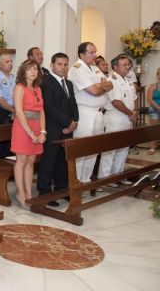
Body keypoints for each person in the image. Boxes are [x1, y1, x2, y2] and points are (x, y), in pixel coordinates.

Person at [67, 42, 112, 183]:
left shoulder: (94, 68)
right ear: (82, 54)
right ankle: (76, 182)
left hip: (98, 113)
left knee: (93, 149)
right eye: (91, 52)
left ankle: (86, 181)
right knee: (82, 149)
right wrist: (101, 86)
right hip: (84, 112)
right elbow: (93, 91)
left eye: (95, 52)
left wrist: (100, 86)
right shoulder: (77, 68)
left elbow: (110, 84)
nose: (95, 55)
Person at [38, 53, 78, 207]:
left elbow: (73, 104)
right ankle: (45, 192)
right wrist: (67, 122)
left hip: (68, 128)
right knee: (49, 160)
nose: (63, 67)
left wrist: (74, 121)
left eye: (65, 64)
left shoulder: (68, 83)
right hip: (53, 127)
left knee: (63, 160)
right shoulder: (46, 83)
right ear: (52, 65)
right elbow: (50, 108)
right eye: (60, 64)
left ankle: (62, 189)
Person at [10, 59, 45, 209]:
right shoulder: (19, 87)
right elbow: (18, 111)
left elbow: (42, 110)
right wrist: (30, 133)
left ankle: (30, 193)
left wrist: (43, 131)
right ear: (23, 71)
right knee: (22, 161)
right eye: (30, 69)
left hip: (37, 126)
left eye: (35, 69)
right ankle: (21, 194)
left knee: (31, 161)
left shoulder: (37, 88)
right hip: (23, 127)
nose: (33, 72)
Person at [99, 55, 137, 185]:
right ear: (115, 67)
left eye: (128, 64)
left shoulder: (129, 80)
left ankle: (118, 176)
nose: (128, 67)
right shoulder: (111, 80)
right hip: (115, 118)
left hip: (128, 118)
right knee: (110, 150)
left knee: (123, 148)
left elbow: (135, 98)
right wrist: (130, 113)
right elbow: (115, 101)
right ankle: (105, 178)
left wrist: (135, 112)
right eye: (124, 64)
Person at [146, 67, 160, 154]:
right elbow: (150, 99)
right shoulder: (152, 86)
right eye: (159, 74)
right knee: (153, 129)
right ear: (157, 75)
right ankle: (152, 147)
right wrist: (159, 108)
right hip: (154, 109)